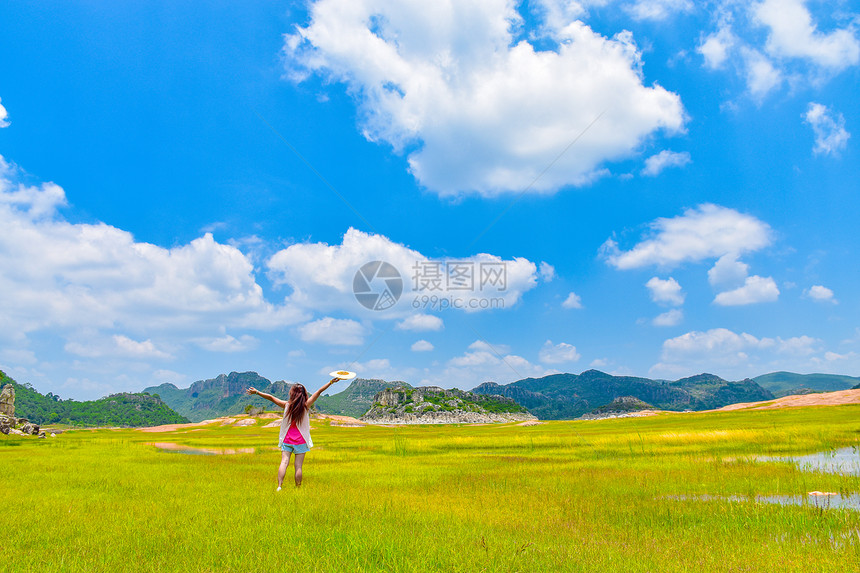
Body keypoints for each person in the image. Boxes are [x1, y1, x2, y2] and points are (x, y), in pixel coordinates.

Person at [246, 377, 339, 490]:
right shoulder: (306, 405)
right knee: (298, 466)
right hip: (301, 440)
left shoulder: (286, 405)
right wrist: (330, 382)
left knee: (284, 462)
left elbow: (271, 397)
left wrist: (256, 392)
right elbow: (319, 391)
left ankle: (279, 486)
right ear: (303, 394)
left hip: (287, 439)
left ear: (292, 394)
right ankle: (298, 488)